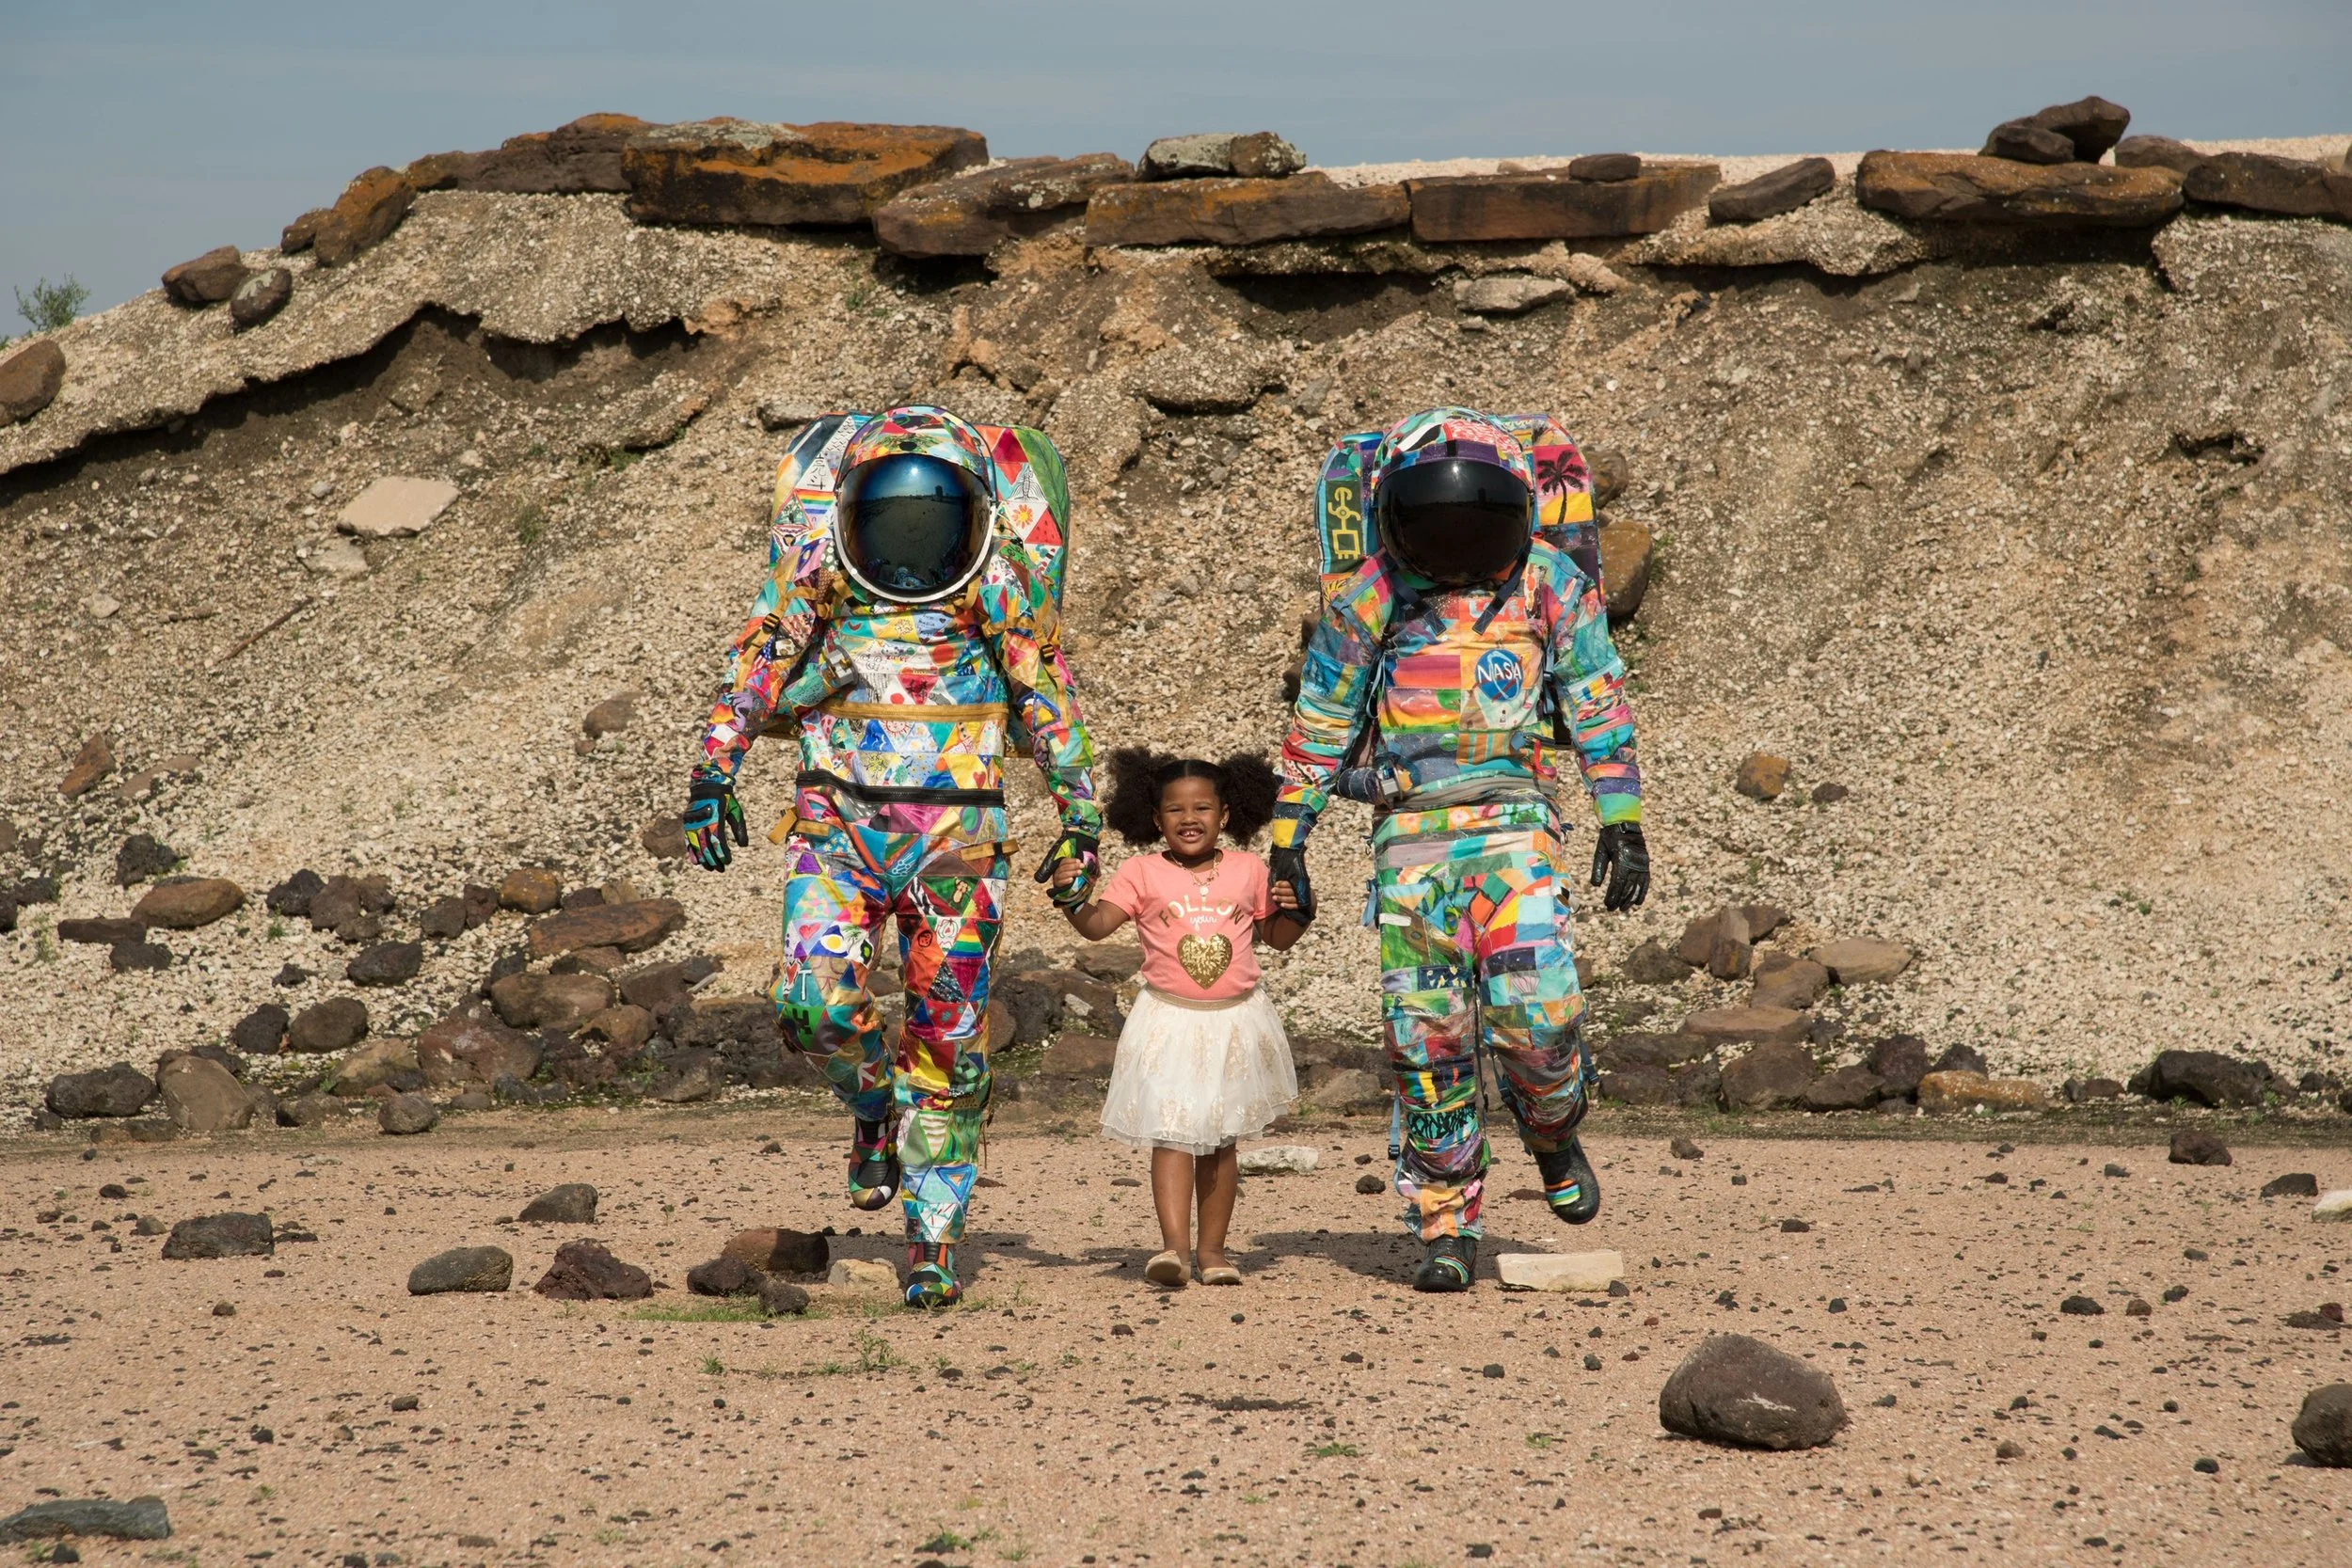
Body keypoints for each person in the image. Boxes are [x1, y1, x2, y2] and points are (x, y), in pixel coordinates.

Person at [682, 404, 1102, 1308]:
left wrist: (1081, 813)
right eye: (891, 517)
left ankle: (933, 1241)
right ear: (851, 510)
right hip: (838, 831)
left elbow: (1045, 688)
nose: (913, 539)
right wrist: (713, 769)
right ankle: (874, 1105)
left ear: (974, 510)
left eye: (933, 515)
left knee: (946, 1041)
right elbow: (759, 661)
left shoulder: (1001, 579)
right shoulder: (820, 567)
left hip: (960, 842)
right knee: (813, 1003)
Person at [1269, 406, 1648, 1293]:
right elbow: (1322, 717)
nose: (1452, 540)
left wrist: (1620, 818)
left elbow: (1596, 697)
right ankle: (1445, 1223)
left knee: (1540, 1021)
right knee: (1426, 1043)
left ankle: (1552, 1130)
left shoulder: (1550, 582)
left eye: (1473, 519)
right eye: (1431, 522)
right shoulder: (1371, 595)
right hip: (1411, 842)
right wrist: (1290, 838)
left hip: (1515, 828)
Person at [1054, 750, 1307, 1288]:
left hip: (1235, 1023)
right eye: (1175, 810)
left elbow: (1278, 938)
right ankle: (1172, 1250)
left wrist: (1299, 909)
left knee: (1220, 1140)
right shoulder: (1141, 871)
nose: (1189, 819)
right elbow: (1097, 927)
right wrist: (1070, 896)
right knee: (1170, 1134)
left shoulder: (1249, 869)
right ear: (1154, 819)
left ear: (1226, 815)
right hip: (1167, 1021)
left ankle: (1213, 1254)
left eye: (1203, 808)